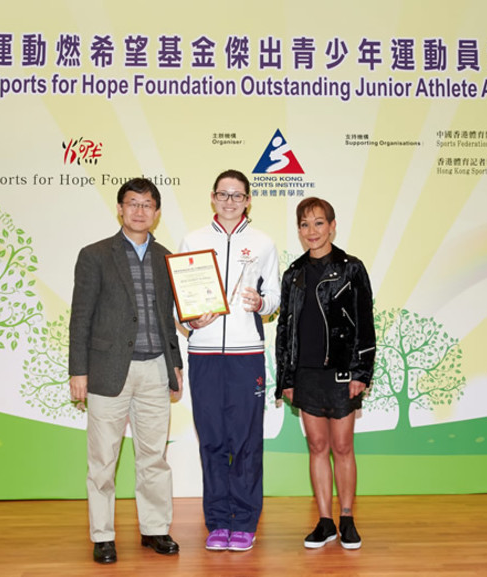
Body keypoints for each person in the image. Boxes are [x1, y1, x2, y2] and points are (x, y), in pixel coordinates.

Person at [68, 178, 184, 563]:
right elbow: (80, 317)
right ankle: (102, 535)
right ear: (120, 208)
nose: (139, 211)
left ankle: (155, 529)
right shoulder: (95, 255)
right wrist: (78, 370)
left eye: (147, 204)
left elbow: (169, 319)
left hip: (154, 369)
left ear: (156, 212)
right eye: (132, 203)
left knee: (154, 455)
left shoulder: (167, 258)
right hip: (107, 370)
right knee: (103, 459)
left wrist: (176, 363)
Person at [179, 169, 280, 552]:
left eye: (238, 196)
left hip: (246, 354)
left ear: (249, 200)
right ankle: (218, 522)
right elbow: (181, 299)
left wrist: (262, 303)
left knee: (247, 441)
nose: (230, 201)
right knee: (212, 440)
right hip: (203, 354)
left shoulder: (263, 243)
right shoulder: (193, 239)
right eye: (224, 194)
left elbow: (273, 296)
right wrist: (191, 319)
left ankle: (246, 521)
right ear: (212, 197)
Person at [275, 197, 376, 550]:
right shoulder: (294, 274)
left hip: (342, 373)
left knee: (343, 446)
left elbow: (366, 324)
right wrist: (285, 378)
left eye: (319, 223)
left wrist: (362, 371)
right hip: (306, 374)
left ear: (332, 226)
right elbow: (285, 331)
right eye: (304, 224)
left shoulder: (352, 268)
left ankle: (347, 518)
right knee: (317, 446)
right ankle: (325, 521)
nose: (312, 231)